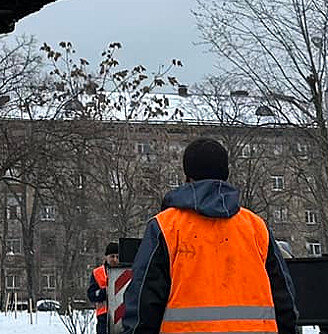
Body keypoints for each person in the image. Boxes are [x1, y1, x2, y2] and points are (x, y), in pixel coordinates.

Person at [121, 138, 298, 334]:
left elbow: (143, 303)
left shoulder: (165, 227)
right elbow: (284, 301)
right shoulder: (256, 227)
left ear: (187, 176)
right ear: (226, 174)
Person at [89, 243, 122, 334]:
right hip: (104, 317)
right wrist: (107, 291)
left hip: (122, 317)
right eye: (112, 256)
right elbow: (91, 295)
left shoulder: (125, 273)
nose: (115, 259)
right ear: (106, 257)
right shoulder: (98, 272)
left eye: (117, 257)